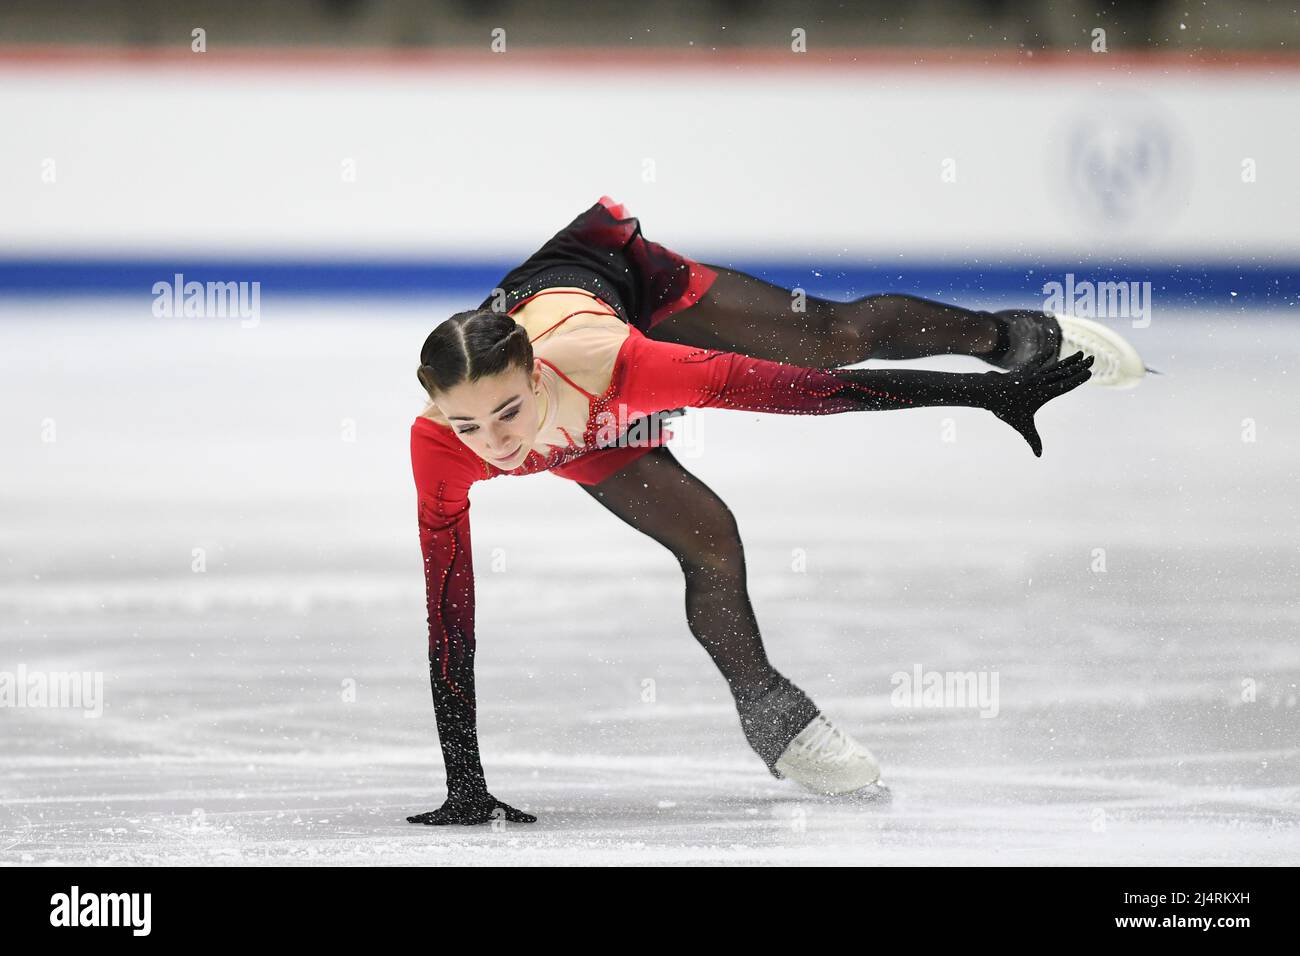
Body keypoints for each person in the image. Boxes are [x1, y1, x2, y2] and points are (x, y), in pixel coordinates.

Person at [406, 196, 1138, 826]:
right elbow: (450, 609)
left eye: (505, 413)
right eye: (469, 426)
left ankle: (1014, 339)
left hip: (621, 289)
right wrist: (465, 785)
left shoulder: (625, 365)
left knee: (832, 342)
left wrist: (983, 393)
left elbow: (803, 392)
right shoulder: (441, 446)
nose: (496, 446)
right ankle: (774, 718)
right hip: (574, 420)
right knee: (710, 538)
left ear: (532, 375)